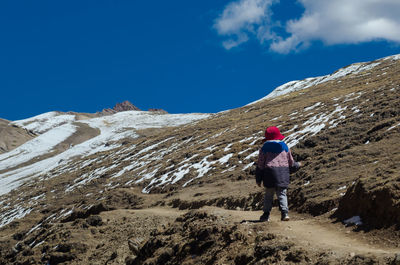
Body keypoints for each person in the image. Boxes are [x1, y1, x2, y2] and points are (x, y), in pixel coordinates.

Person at [255, 126, 301, 222]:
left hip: (269, 174)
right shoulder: (284, 146)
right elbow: (291, 163)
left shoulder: (264, 148)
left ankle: (266, 215)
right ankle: (285, 213)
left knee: (269, 195)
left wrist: (258, 179)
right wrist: (298, 165)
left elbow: (260, 165)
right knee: (282, 194)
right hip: (283, 173)